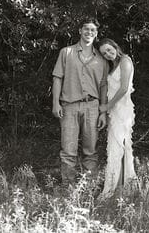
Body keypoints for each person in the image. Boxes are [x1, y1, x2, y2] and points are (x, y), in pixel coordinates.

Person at [52, 18, 109, 185]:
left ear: (96, 34)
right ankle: (68, 188)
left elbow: (104, 87)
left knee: (90, 151)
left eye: (92, 30)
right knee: (68, 150)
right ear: (80, 31)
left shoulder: (102, 59)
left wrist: (103, 112)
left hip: (92, 107)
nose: (89, 32)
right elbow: (57, 78)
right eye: (86, 29)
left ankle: (88, 187)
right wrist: (55, 103)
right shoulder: (66, 52)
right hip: (69, 106)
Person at [97, 37, 136, 198]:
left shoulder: (125, 61)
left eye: (109, 49)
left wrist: (107, 106)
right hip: (115, 112)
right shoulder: (113, 66)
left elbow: (124, 88)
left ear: (115, 46)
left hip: (123, 111)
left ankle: (115, 190)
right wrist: (106, 111)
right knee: (115, 148)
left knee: (118, 146)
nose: (108, 53)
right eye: (104, 53)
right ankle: (119, 188)